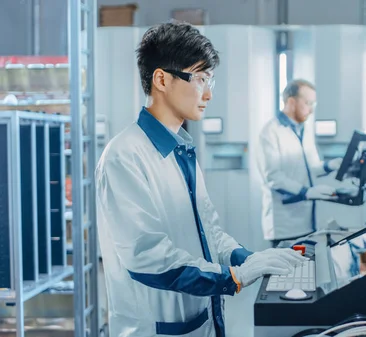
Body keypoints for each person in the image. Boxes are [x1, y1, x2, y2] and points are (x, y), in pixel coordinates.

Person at [96, 21, 307, 337]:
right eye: (200, 79)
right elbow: (148, 258)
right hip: (158, 330)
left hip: (201, 321)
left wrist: (250, 259)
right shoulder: (124, 156)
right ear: (162, 79)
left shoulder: (181, 148)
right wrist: (231, 277)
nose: (208, 93)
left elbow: (209, 233)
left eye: (211, 81)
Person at [256, 79, 343, 248]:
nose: (311, 109)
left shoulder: (305, 129)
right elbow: (274, 178)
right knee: (289, 272)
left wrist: (329, 166)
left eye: (313, 104)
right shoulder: (270, 132)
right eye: (308, 103)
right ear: (291, 102)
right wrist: (306, 192)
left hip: (307, 221)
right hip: (285, 225)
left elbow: (310, 167)